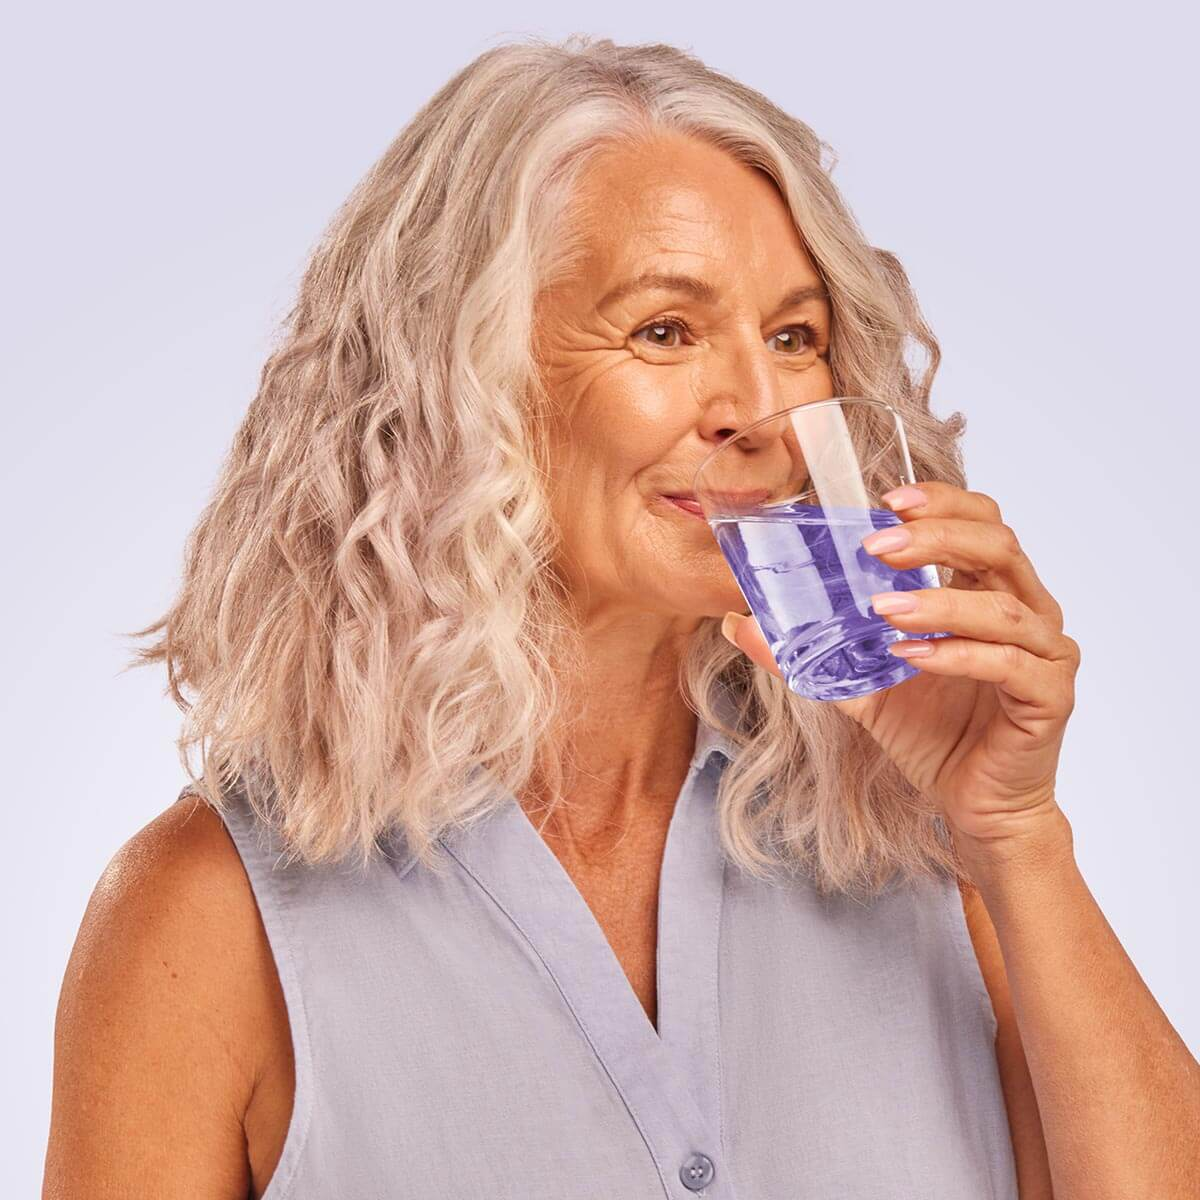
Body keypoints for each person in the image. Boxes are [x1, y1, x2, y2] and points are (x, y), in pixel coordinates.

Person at [43, 34, 1199, 1200]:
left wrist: (1017, 838)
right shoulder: (208, 915)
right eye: (665, 331)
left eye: (793, 337)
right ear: (461, 376)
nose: (760, 407)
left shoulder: (925, 846)